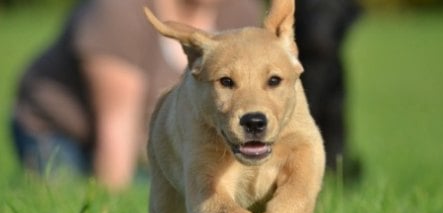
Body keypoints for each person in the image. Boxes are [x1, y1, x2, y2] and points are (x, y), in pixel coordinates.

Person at [11, 0, 262, 190]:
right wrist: (110, 210)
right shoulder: (117, 11)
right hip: (62, 133)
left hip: (150, 141)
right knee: (70, 196)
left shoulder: (241, 13)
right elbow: (115, 129)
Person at [295, 0, 361, 175]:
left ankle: (335, 168)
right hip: (303, 64)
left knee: (334, 118)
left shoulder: (335, 74)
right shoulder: (289, 75)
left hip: (331, 70)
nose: (319, 30)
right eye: (313, 17)